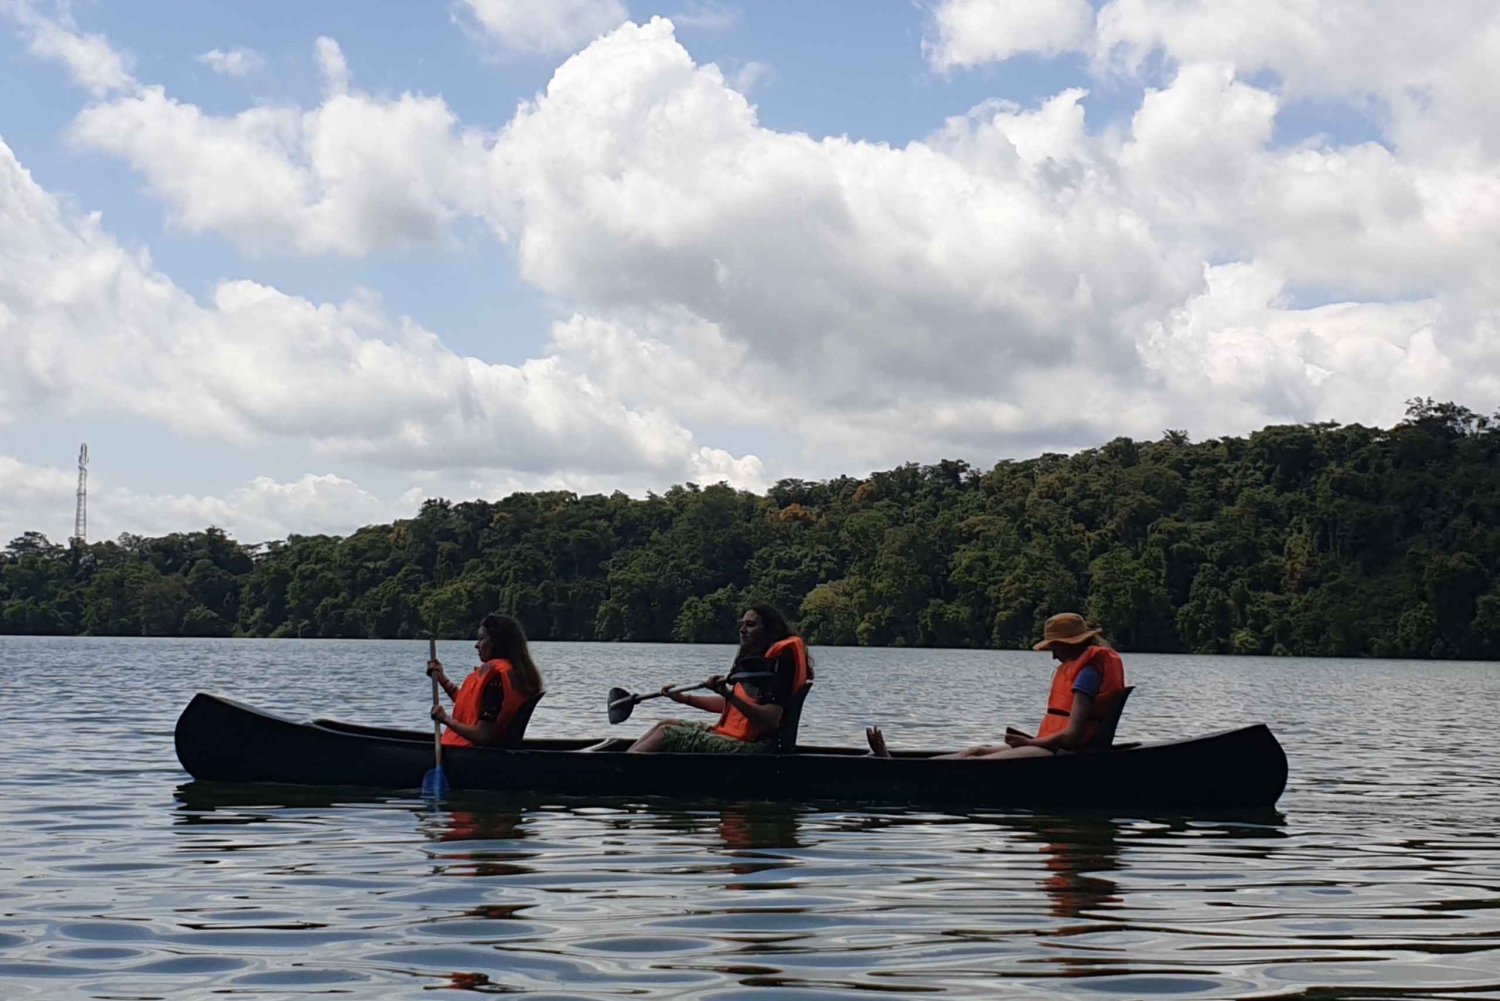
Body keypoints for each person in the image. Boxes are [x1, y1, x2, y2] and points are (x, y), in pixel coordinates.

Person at [866, 612, 1124, 759]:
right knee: (975, 751)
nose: (1054, 656)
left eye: (1054, 648)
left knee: (982, 762)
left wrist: (1028, 743)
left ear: (1070, 644)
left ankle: (894, 767)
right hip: (1053, 747)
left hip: (1064, 753)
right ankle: (895, 762)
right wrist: (1030, 742)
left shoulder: (1087, 674)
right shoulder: (1082, 668)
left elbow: (1073, 735)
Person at [628, 604, 813, 754]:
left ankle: (617, 772)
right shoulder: (756, 664)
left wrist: (728, 694)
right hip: (734, 738)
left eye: (751, 625)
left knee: (664, 734)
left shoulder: (780, 666)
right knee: (666, 723)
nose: (742, 630)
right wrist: (684, 699)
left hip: (757, 747)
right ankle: (619, 761)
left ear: (769, 630)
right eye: (742, 625)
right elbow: (734, 708)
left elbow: (770, 720)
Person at [426, 613, 545, 747]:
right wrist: (442, 679)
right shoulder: (515, 673)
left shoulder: (496, 680)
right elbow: (470, 707)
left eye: (482, 639)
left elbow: (481, 735)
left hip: (473, 754)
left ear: (497, 642)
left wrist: (445, 719)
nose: (477, 645)